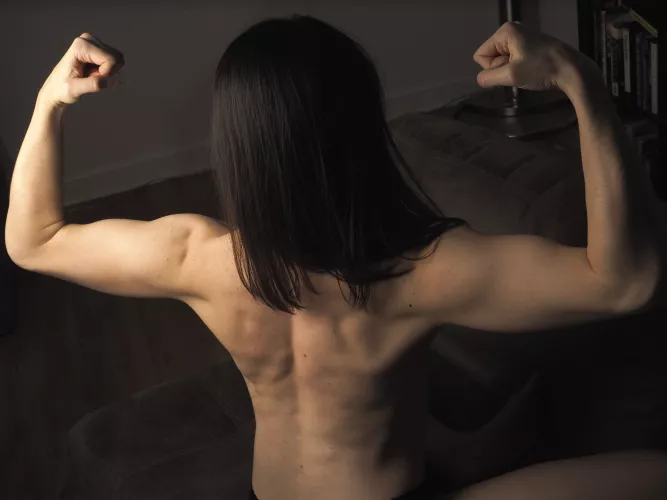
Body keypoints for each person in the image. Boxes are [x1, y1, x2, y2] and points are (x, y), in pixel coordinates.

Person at [5, 14, 667, 500]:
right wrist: (579, 81)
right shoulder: (423, 271)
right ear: (361, 129)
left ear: (235, 143)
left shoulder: (195, 257)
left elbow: (32, 241)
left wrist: (49, 101)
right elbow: (624, 283)